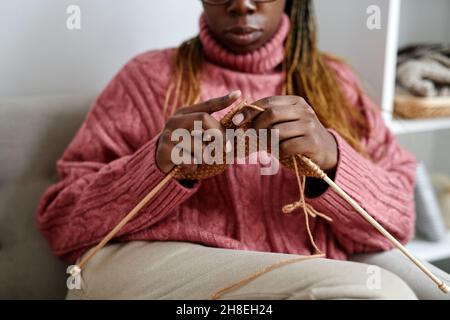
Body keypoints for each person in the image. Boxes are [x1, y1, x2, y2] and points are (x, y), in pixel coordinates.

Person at [37, 0, 423, 299]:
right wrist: (157, 165)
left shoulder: (336, 84)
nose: (241, 4)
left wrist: (332, 159)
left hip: (314, 271)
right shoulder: (146, 78)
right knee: (381, 291)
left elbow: (400, 221)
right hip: (168, 269)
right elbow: (62, 223)